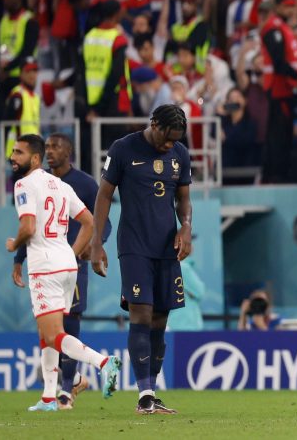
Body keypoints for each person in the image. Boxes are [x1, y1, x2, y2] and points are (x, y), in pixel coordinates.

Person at [6, 134, 121, 412]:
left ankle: (103, 363)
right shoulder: (60, 185)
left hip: (44, 267)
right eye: (12, 151)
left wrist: (14, 244)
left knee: (53, 334)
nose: (12, 157)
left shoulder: (23, 184)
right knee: (46, 333)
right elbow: (89, 222)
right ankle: (48, 397)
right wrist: (72, 252)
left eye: (19, 152)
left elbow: (29, 227)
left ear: (34, 159)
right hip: (67, 265)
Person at [91, 104, 192, 415]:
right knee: (142, 314)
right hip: (134, 244)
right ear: (154, 123)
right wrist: (97, 242)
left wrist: (186, 228)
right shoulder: (123, 149)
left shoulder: (179, 153)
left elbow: (183, 198)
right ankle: (144, 394)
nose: (168, 145)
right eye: (165, 138)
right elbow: (104, 195)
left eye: (175, 140)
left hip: (166, 247)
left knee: (161, 318)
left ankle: (152, 389)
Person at [258, 0, 297, 183]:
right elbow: (279, 62)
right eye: (285, 5)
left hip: (283, 88)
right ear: (276, 8)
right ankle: (276, 175)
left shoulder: (281, 28)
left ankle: (273, 174)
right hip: (279, 89)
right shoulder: (273, 29)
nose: (289, 9)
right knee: (279, 134)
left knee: (280, 132)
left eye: (292, 5)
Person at [82, 0, 131, 170]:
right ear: (117, 14)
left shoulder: (89, 37)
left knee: (95, 152)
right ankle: (110, 194)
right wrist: (99, 107)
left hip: (91, 102)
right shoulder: (117, 39)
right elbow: (115, 75)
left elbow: (82, 73)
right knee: (114, 152)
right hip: (111, 103)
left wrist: (91, 108)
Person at [0, 0, 39, 127]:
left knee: (17, 119)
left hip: (20, 78)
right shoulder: (3, 21)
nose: (5, 1)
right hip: (4, 77)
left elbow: (27, 51)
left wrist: (6, 68)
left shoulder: (29, 20)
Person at [4, 58, 40, 158]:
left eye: (35, 70)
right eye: (28, 71)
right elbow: (7, 125)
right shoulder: (17, 95)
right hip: (18, 153)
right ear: (21, 74)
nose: (32, 74)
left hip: (31, 151)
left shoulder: (35, 97)